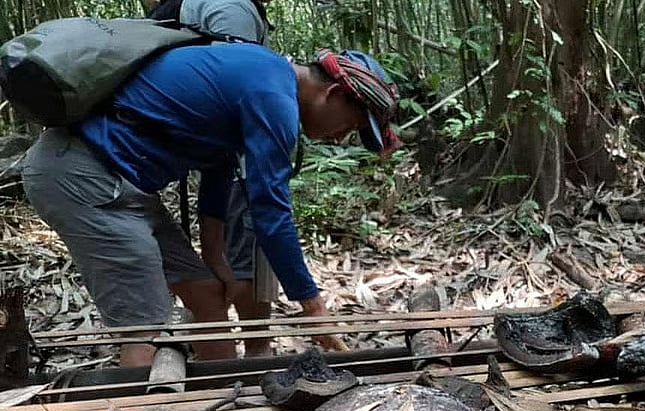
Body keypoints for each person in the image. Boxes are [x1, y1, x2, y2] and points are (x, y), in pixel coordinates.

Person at [22, 44, 400, 367]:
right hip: (83, 177)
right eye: (351, 125)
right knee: (146, 327)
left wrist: (216, 259)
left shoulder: (264, 76)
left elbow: (218, 173)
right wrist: (313, 309)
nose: (342, 137)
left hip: (124, 184)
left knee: (205, 291)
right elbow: (270, 212)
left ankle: (223, 401)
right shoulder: (273, 95)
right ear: (333, 94)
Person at [151, 0, 274, 358]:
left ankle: (228, 368)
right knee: (244, 271)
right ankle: (253, 358)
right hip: (237, 168)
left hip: (209, 161)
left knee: (211, 282)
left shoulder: (201, 7)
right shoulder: (230, 7)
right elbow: (231, 98)